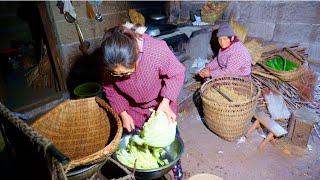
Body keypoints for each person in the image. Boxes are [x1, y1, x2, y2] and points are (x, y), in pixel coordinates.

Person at [100, 23, 185, 180]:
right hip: (133, 109)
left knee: (170, 146)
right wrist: (123, 114)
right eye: (116, 74)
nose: (121, 77)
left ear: (137, 54)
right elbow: (109, 89)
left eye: (126, 73)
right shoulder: (111, 60)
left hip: (161, 105)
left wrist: (165, 102)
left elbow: (177, 73)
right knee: (138, 145)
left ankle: (177, 172)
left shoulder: (156, 51)